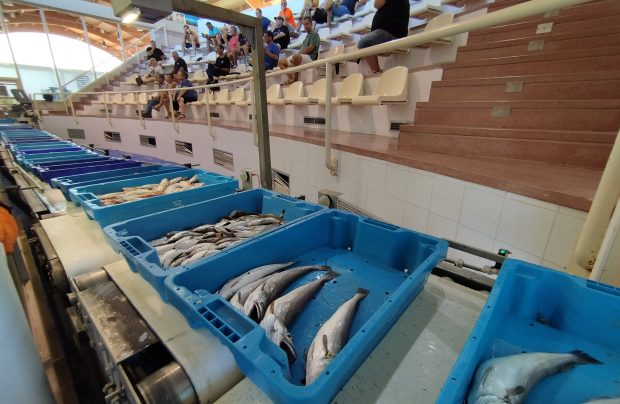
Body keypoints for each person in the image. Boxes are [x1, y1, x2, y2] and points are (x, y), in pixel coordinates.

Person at [358, 0, 409, 73]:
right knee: (365, 43)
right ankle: (376, 72)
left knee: (364, 43)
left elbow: (377, 4)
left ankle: (376, 72)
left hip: (392, 31)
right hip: (389, 31)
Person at [278, 17, 319, 84]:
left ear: (311, 24)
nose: (305, 26)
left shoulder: (315, 34)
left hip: (310, 58)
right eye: (304, 24)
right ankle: (290, 78)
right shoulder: (306, 37)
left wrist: (299, 54)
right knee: (280, 62)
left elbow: (310, 48)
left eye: (307, 24)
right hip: (303, 57)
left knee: (296, 56)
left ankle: (295, 79)